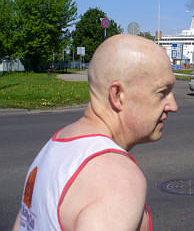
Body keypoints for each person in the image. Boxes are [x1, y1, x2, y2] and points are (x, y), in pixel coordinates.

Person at [12, 34, 178, 231]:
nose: (173, 106)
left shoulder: (55, 145)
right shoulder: (117, 180)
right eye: (162, 93)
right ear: (117, 95)